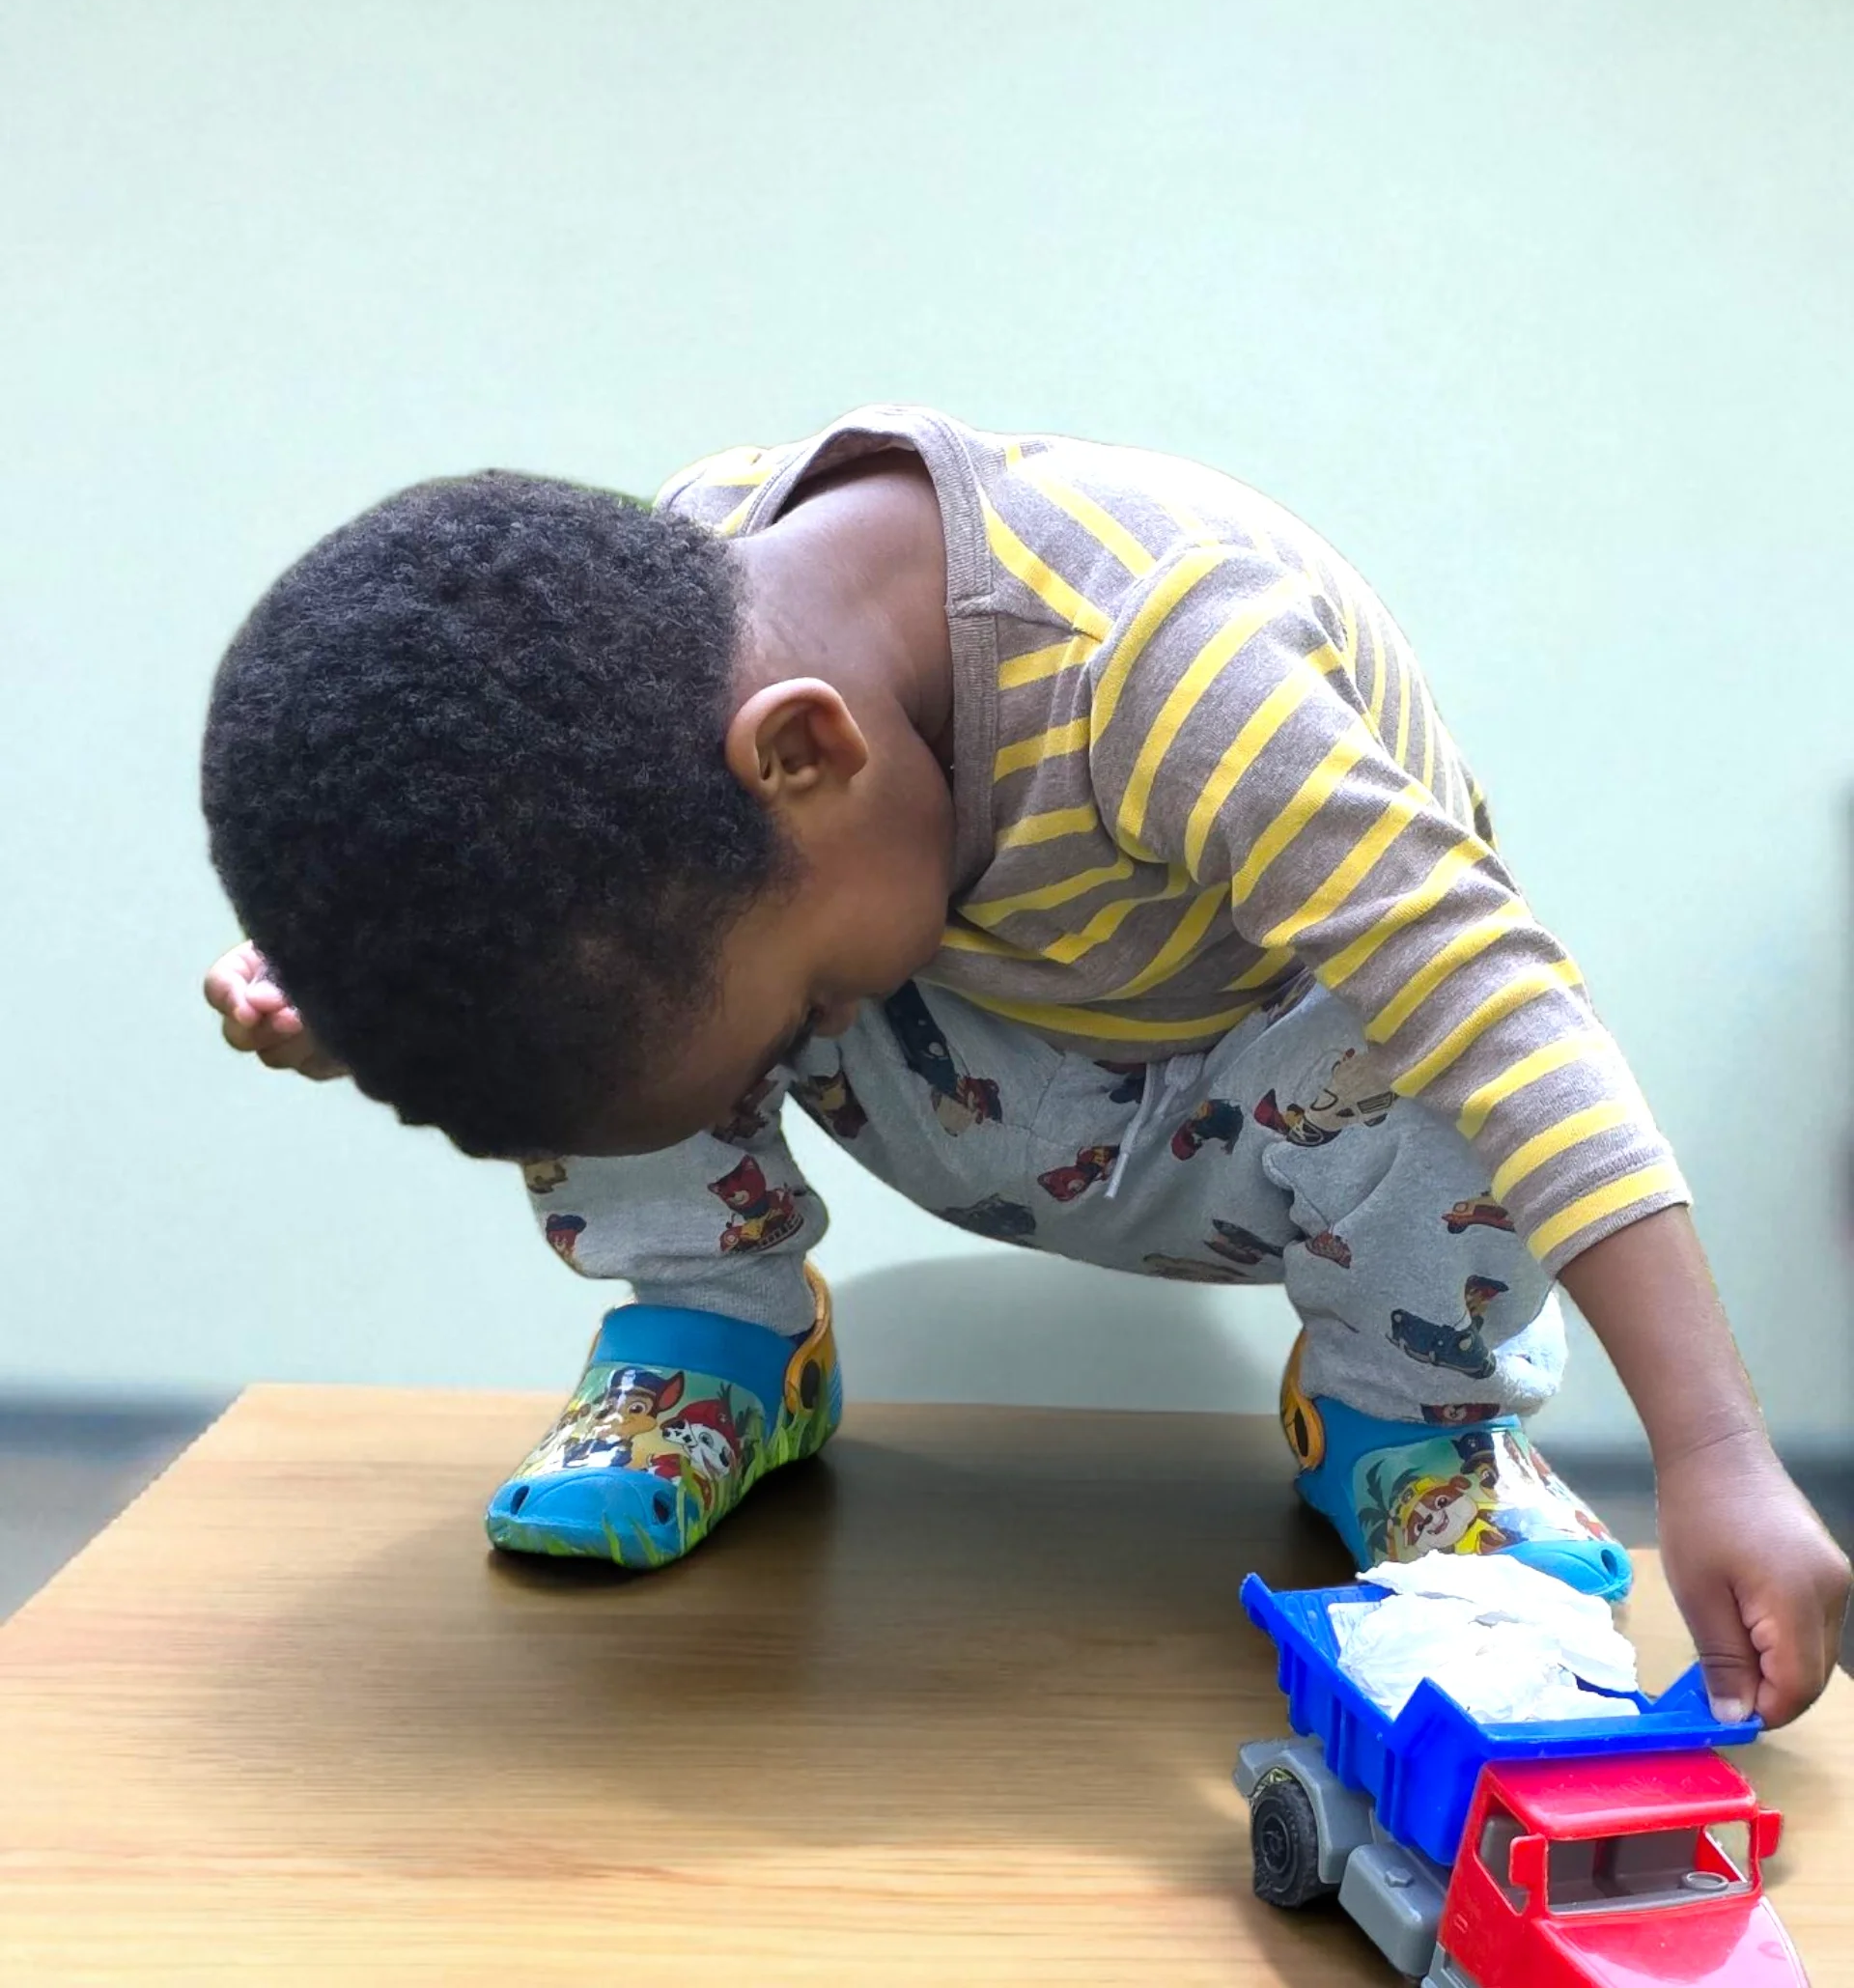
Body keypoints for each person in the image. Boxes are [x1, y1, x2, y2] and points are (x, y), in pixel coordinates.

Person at [200, 407, 1849, 1724]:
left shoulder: (1169, 660)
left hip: (1265, 1111)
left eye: (780, 1029)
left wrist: (1710, 1457)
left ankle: (1406, 1418)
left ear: (806, 753)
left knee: (1439, 1019)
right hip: (968, 1049)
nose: (766, 1076)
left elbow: (1496, 998)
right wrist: (373, 987)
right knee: (578, 993)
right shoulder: (667, 629)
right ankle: (721, 1341)